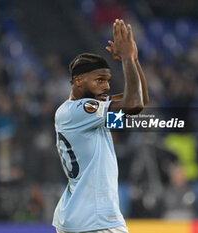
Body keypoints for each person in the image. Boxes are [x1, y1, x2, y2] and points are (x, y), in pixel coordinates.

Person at [52, 19, 148, 233]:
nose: (106, 86)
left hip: (78, 218)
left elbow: (139, 102)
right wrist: (127, 61)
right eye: (99, 80)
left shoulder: (87, 117)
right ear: (78, 80)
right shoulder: (79, 111)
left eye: (107, 80)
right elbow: (134, 103)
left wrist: (133, 60)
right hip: (96, 220)